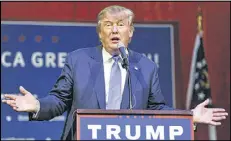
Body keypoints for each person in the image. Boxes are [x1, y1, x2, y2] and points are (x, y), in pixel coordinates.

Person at [2, 5, 228, 140]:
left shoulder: (146, 67)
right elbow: (60, 100)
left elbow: (158, 109)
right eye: (108, 25)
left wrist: (189, 118)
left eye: (121, 24)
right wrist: (37, 105)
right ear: (100, 33)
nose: (114, 30)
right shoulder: (79, 60)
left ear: (131, 32)